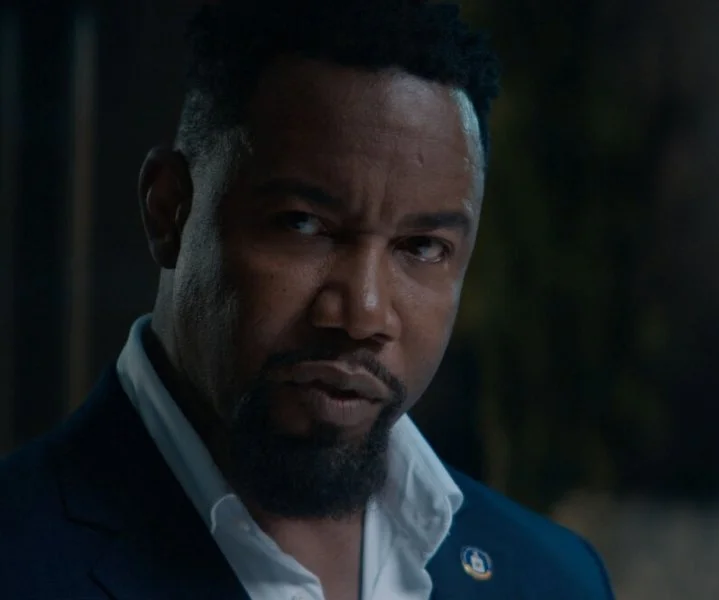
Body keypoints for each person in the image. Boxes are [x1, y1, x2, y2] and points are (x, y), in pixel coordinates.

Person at [0, 1, 615, 599]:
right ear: (169, 212)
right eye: (303, 224)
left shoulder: (556, 579)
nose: (364, 314)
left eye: (422, 246)